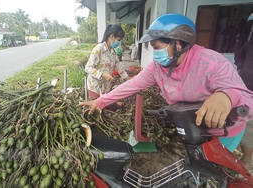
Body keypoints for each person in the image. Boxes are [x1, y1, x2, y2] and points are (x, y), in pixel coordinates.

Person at [80, 13, 253, 153]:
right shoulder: (158, 68)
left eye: (156, 47)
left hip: (221, 134)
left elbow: (248, 101)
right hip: (191, 130)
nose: (154, 53)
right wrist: (100, 101)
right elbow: (131, 86)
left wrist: (226, 96)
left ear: (177, 44)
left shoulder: (212, 63)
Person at [85, 24, 129, 109]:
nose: (118, 43)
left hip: (106, 87)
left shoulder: (113, 52)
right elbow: (88, 68)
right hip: (95, 87)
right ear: (112, 36)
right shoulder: (99, 49)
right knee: (96, 110)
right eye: (118, 40)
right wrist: (103, 75)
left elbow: (118, 66)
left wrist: (127, 77)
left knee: (104, 109)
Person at [234, 13, 253, 172]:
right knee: (244, 124)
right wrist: (240, 67)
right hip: (245, 91)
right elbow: (238, 54)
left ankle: (246, 160)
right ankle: (244, 157)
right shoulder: (249, 45)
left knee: (250, 127)